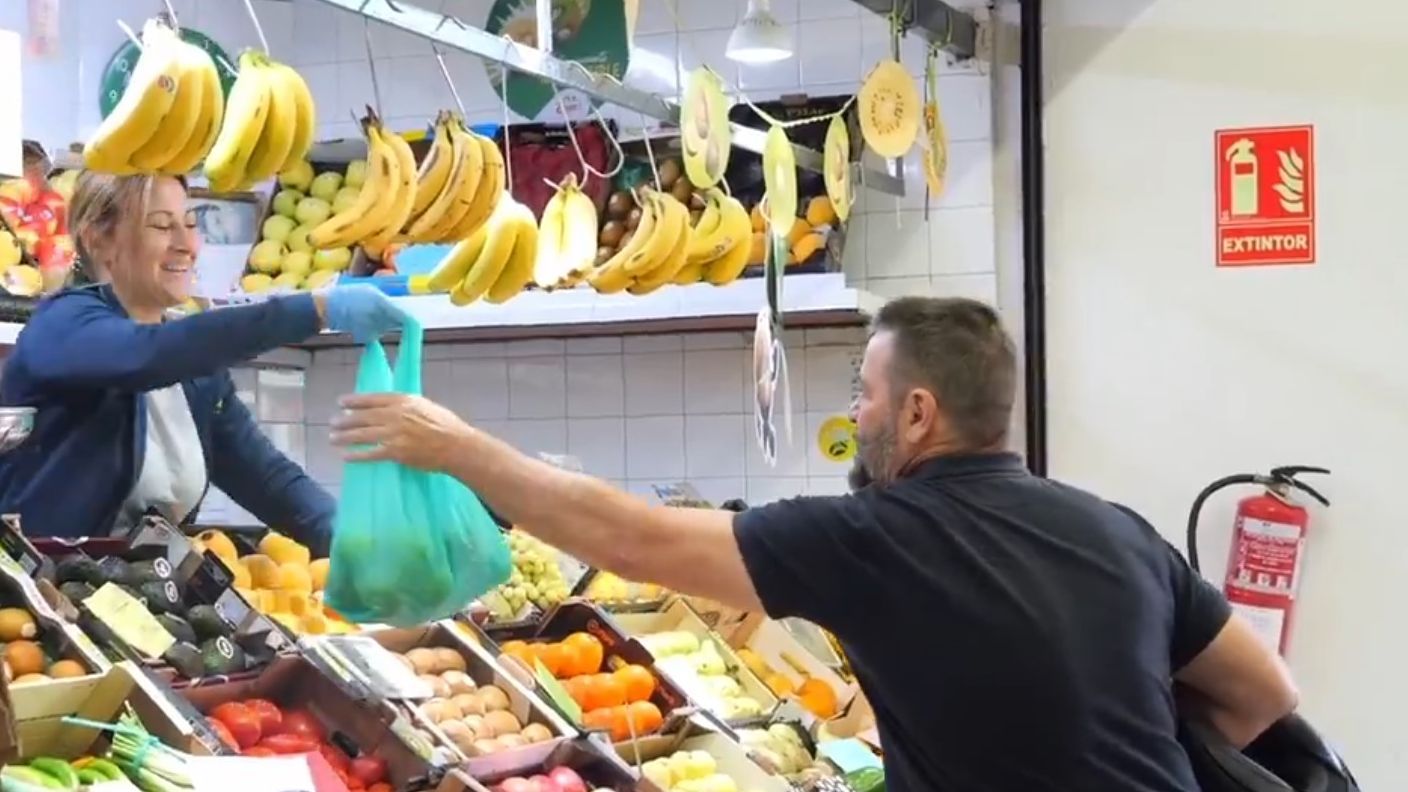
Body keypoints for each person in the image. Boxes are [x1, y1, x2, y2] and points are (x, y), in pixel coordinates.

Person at [330, 296, 1299, 792]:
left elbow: (625, 537)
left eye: (863, 395)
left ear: (917, 413)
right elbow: (1263, 695)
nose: (856, 414)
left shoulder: (876, 539)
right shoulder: (1115, 531)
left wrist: (455, 449)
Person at [0, 171, 406, 555]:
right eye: (161, 226)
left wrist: (354, 544)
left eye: (190, 223)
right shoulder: (62, 325)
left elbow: (266, 478)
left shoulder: (195, 370)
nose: (186, 244)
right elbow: (148, 355)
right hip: (35, 602)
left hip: (135, 601)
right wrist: (314, 310)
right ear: (98, 240)